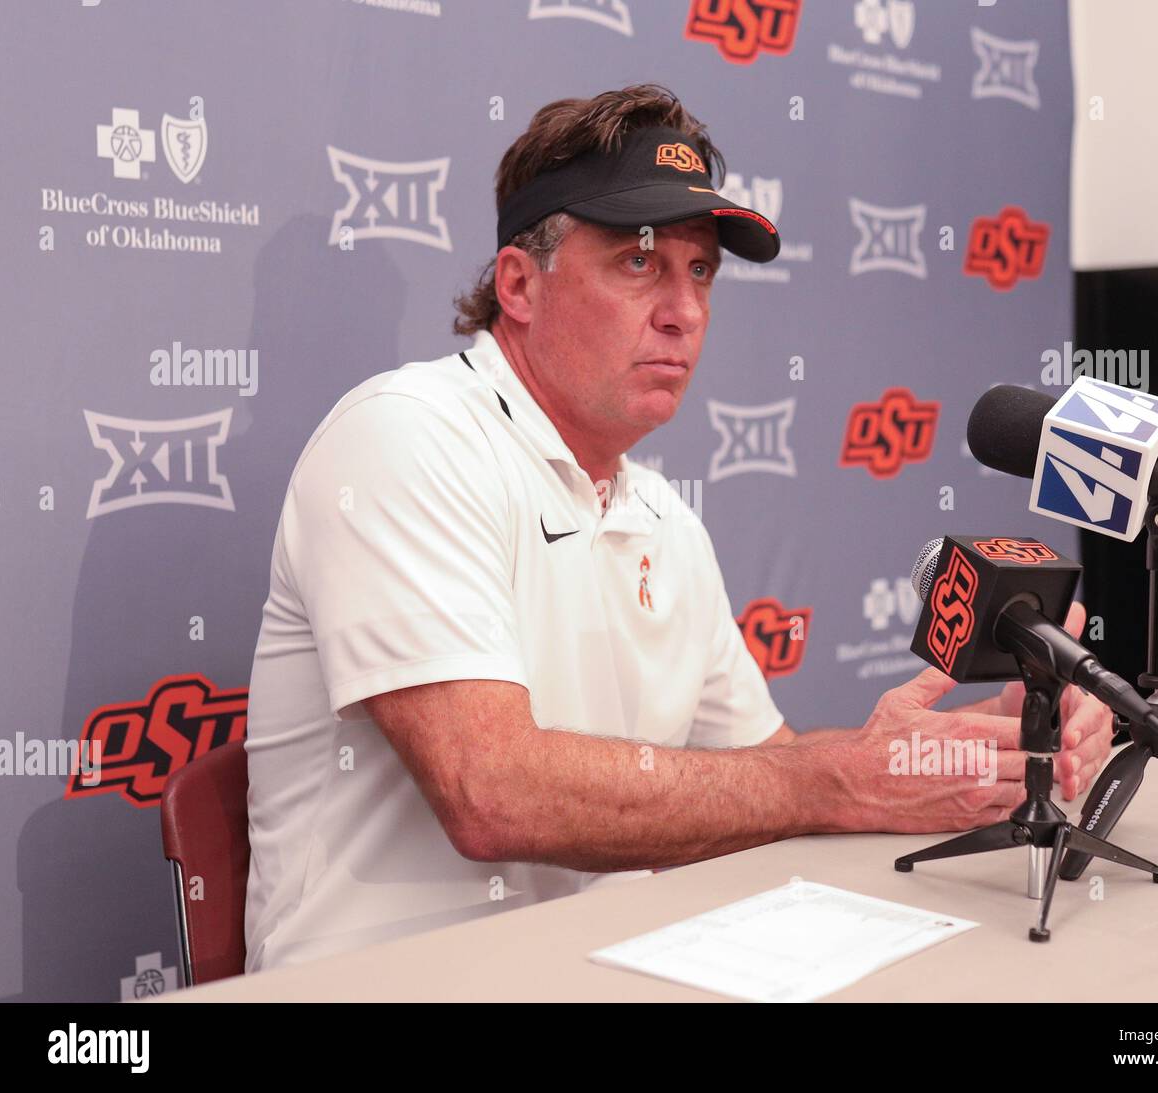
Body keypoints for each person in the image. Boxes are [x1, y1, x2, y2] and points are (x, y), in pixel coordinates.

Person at [242, 84, 1112, 973]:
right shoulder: (405, 436)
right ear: (519, 285)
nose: (684, 310)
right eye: (638, 264)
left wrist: (984, 740)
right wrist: (835, 777)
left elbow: (764, 774)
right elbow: (491, 794)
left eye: (700, 272)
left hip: (609, 972)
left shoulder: (661, 513)